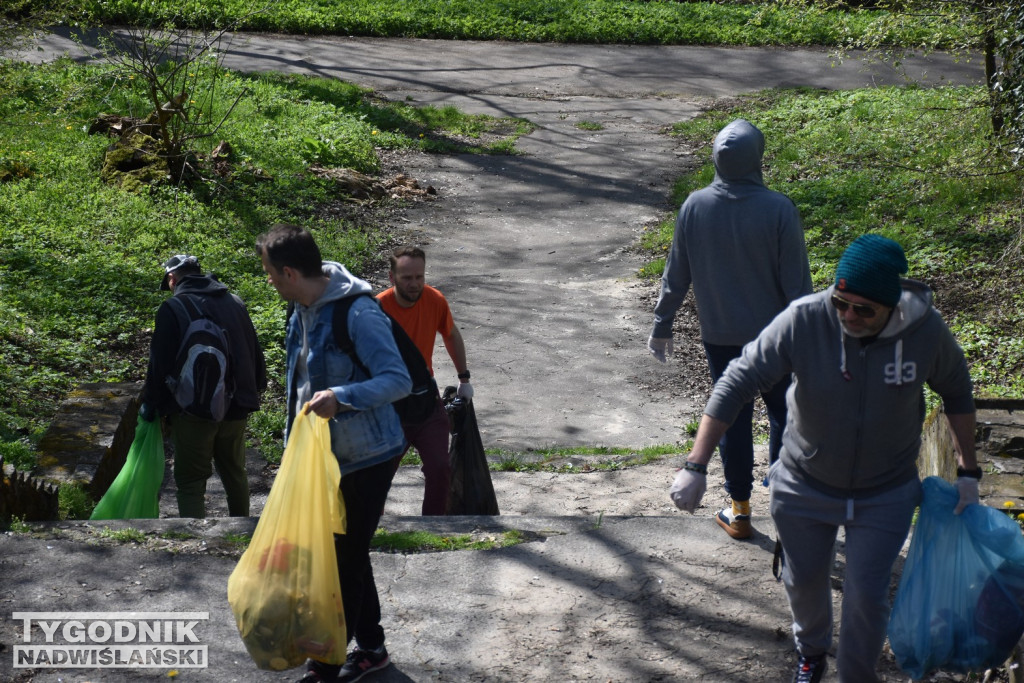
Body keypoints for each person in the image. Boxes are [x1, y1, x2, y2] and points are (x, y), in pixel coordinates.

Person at [669, 234, 979, 683]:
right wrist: (696, 464)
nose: (849, 316)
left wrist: (968, 471)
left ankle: (856, 674)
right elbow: (738, 379)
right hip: (803, 482)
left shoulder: (926, 332)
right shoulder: (806, 318)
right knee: (803, 580)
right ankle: (811, 651)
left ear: (891, 306)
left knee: (866, 598)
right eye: (841, 302)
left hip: (885, 491)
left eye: (864, 309)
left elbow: (957, 393)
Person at [256, 224, 411, 683]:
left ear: (288, 272)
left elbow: (397, 380)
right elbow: (298, 387)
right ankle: (373, 648)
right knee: (349, 552)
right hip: (323, 459)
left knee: (344, 557)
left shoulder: (358, 313)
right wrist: (291, 449)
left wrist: (342, 396)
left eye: (268, 273)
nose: (267, 281)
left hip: (368, 457)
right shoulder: (300, 310)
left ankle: (326, 666)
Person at [648, 118, 813, 540]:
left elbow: (675, 274)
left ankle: (739, 510)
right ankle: (785, 500)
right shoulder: (779, 209)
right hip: (777, 338)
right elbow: (797, 285)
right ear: (758, 158)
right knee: (785, 414)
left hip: (721, 337)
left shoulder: (695, 206)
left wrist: (662, 322)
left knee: (731, 419)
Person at [140, 254, 267, 518]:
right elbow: (253, 351)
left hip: (193, 410)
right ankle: (243, 532)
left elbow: (159, 364)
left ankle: (196, 540)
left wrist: (152, 403)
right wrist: (251, 391)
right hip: (236, 406)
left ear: (172, 279)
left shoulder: (173, 309)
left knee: (190, 481)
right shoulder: (235, 302)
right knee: (234, 473)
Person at [377, 245, 473, 515]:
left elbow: (451, 334)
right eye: (407, 277)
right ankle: (373, 527)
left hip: (426, 402)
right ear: (391, 277)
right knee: (379, 474)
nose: (414, 283)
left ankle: (434, 526)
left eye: (419, 276)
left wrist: (463, 378)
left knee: (440, 468)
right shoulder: (377, 309)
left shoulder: (435, 300)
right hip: (389, 406)